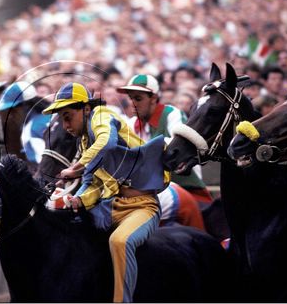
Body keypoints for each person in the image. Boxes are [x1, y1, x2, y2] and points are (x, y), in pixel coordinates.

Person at [42, 82, 168, 302]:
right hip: (110, 207)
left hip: (143, 207)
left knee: (119, 242)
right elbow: (92, 185)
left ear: (86, 109)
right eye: (62, 119)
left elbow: (107, 143)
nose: (65, 125)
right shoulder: (83, 142)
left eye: (68, 116)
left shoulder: (101, 115)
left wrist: (76, 167)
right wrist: (74, 200)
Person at [117, 75, 212, 205]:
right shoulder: (131, 123)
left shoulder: (171, 113)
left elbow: (176, 146)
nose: (132, 103)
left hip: (187, 189)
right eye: (130, 98)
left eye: (138, 98)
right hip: (150, 191)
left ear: (154, 98)